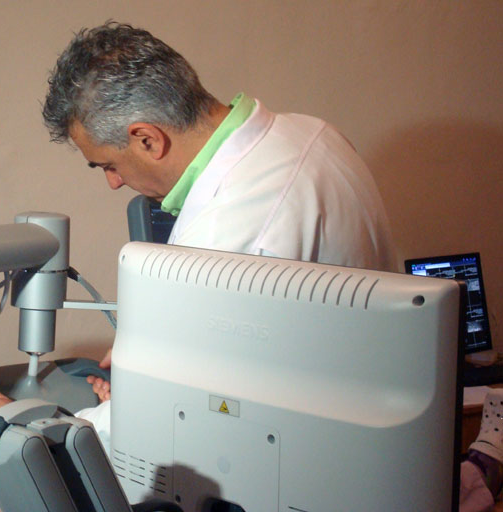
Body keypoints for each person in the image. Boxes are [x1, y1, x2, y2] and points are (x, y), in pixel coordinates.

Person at [42, 21, 398, 401]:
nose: (113, 182)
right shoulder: (313, 132)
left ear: (147, 140)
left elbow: (176, 412)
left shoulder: (223, 246)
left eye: (109, 165)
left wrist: (18, 418)